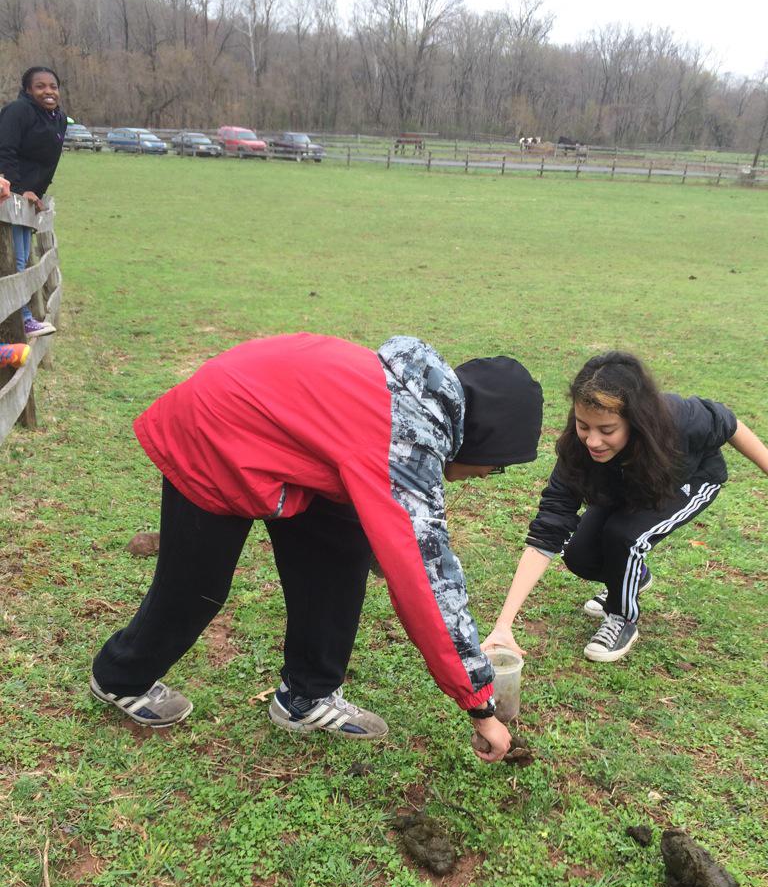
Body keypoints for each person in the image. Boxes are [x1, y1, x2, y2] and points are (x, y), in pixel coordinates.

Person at [90, 333, 543, 762]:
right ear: (485, 437)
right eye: (498, 465)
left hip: (283, 438)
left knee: (338, 551)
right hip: (213, 427)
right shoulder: (405, 442)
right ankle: (119, 677)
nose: (488, 476)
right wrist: (481, 707)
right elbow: (430, 585)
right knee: (196, 586)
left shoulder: (421, 402)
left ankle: (306, 696)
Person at [483, 351, 768, 663]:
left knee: (624, 536)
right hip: (629, 485)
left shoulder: (679, 418)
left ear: (637, 419)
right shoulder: (576, 452)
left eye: (606, 430)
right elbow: (546, 533)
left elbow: (731, 425)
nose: (592, 441)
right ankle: (634, 577)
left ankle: (622, 619)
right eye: (583, 426)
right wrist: (503, 625)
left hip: (690, 479)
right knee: (579, 555)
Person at [0, 66, 66, 338]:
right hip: (10, 197)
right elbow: (5, 149)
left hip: (29, 201)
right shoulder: (19, 111)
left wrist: (36, 192)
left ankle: (21, 319)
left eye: (53, 86)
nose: (48, 92)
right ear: (28, 90)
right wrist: (20, 189)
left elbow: (46, 163)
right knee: (16, 261)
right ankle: (23, 320)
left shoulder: (58, 119)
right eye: (40, 86)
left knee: (24, 259)